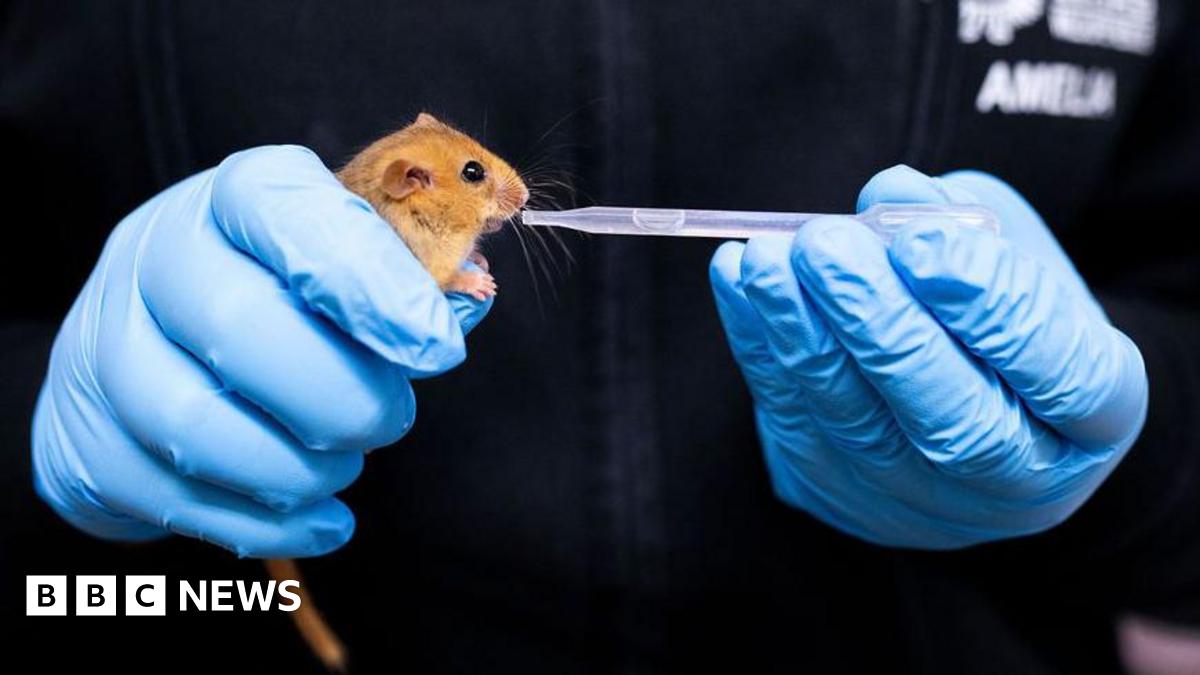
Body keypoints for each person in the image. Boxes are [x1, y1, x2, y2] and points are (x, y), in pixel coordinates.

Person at [3, 2, 1197, 672]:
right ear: (419, 177)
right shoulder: (402, 203)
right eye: (481, 177)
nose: (513, 191)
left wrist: (1123, 454)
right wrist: (41, 450)